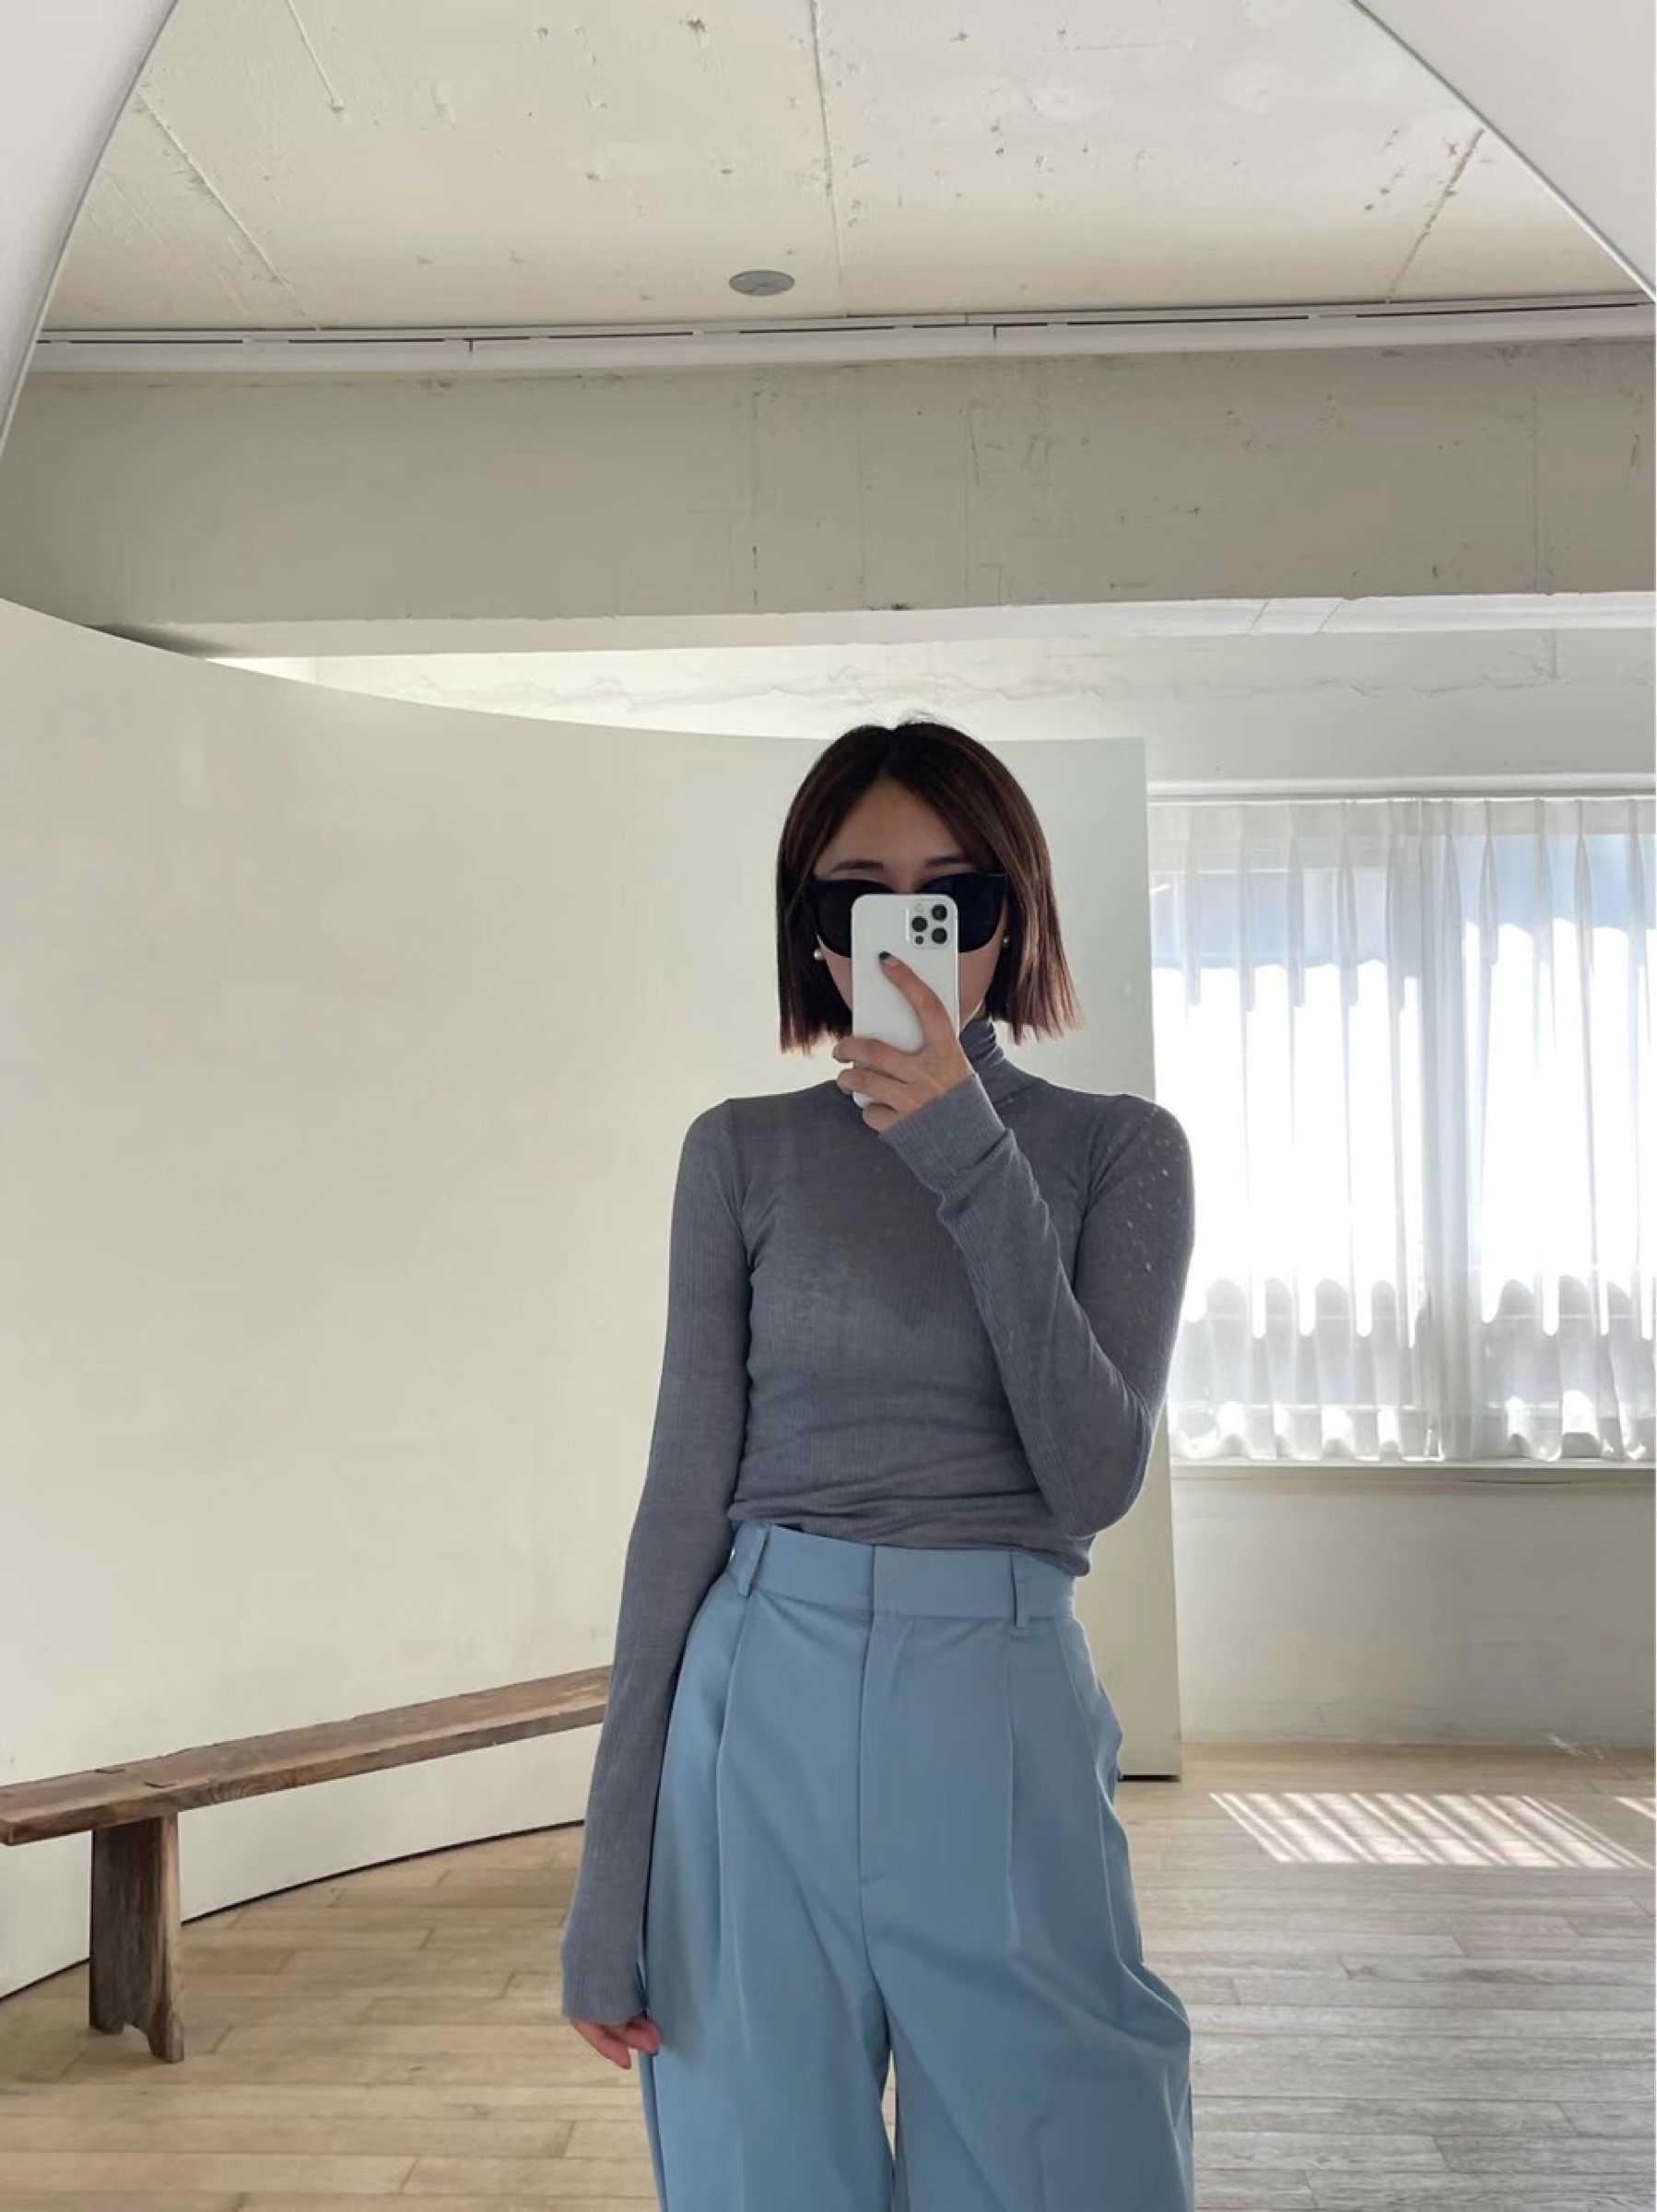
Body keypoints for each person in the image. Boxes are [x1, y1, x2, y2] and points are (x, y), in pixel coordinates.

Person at [559, 716, 1197, 2211]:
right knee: (759, 2171)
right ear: (812, 931)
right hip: (754, 1698)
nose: (909, 936)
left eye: (952, 897)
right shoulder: (740, 1150)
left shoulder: (1118, 1150)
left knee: (1068, 2160)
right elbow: (680, 1501)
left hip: (998, 1692)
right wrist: (607, 1872)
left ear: (1011, 920)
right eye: (859, 898)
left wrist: (968, 1155)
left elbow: (1091, 1476)